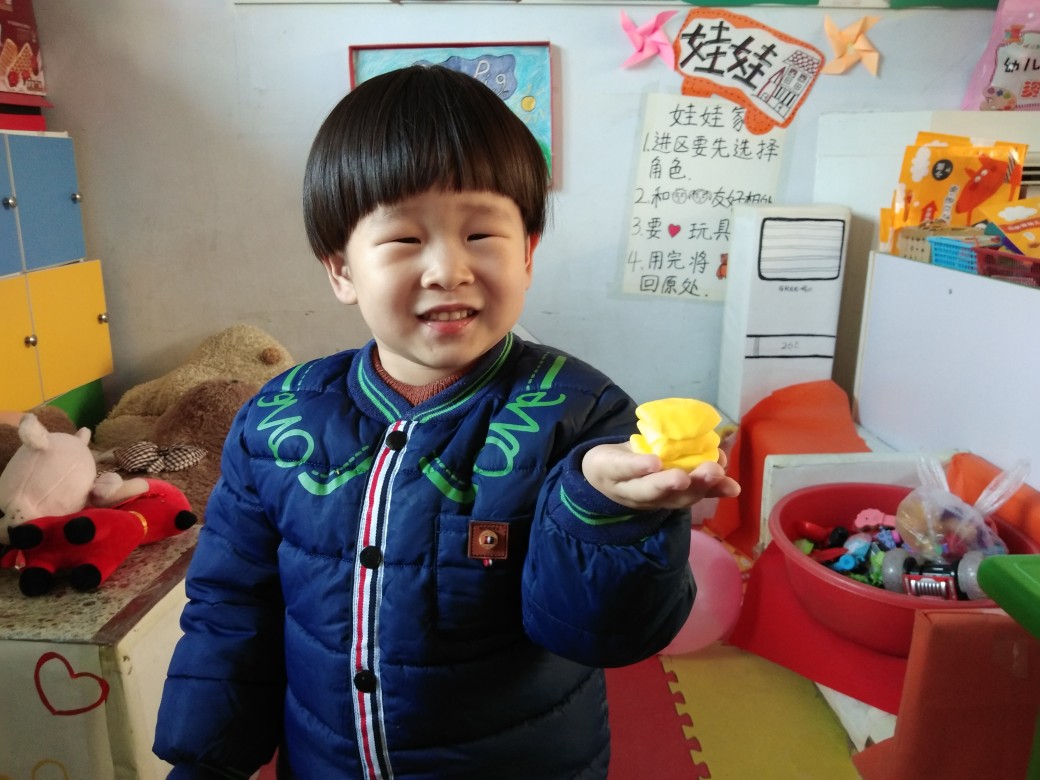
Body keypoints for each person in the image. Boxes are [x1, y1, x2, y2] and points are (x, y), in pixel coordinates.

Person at [153, 64, 740, 780]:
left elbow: (601, 633)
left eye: (482, 233)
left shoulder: (582, 415)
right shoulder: (278, 420)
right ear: (342, 270)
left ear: (527, 253)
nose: (448, 269)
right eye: (404, 239)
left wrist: (606, 513)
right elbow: (230, 612)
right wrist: (204, 762)